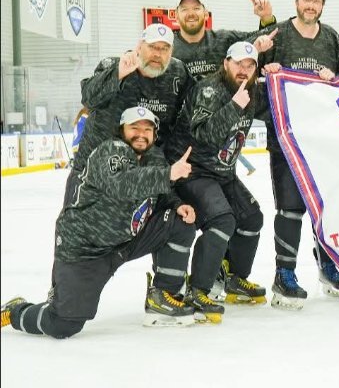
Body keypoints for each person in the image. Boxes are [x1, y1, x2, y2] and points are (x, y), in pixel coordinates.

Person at [1, 107, 197, 337]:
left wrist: (176, 204)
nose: (141, 134)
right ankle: (15, 310)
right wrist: (168, 174)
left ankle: (163, 298)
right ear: (121, 130)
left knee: (180, 222)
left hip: (125, 242)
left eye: (147, 129)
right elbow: (122, 185)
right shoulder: (111, 151)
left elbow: (159, 192)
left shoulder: (154, 157)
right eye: (134, 128)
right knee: (63, 324)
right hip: (86, 249)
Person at [259, 0, 339, 308]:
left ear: (322, 6)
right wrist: (266, 68)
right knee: (290, 208)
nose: (311, 4)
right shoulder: (278, 33)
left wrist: (338, 74)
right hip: (286, 139)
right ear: (297, 2)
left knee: (323, 207)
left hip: (321, 140)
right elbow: (250, 65)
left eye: (316, 1)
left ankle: (328, 266)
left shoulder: (330, 37)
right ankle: (284, 274)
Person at [165, 42, 268, 322]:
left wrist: (279, 77)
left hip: (223, 173)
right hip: (192, 171)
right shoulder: (209, 90)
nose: (244, 70)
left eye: (250, 65)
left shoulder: (252, 91)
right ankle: (196, 290)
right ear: (226, 64)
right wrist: (235, 105)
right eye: (238, 64)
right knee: (223, 220)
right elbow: (205, 136)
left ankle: (233, 277)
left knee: (251, 219)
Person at [64, 24, 193, 209]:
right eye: (153, 47)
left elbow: (197, 102)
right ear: (140, 46)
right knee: (79, 232)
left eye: (164, 49)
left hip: (143, 177)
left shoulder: (178, 73)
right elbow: (89, 98)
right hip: (93, 175)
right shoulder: (114, 65)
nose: (158, 54)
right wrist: (117, 74)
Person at [172, 0, 277, 81]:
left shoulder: (224, 40)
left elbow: (262, 38)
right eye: (184, 9)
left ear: (206, 14)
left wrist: (266, 18)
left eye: (196, 8)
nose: (191, 13)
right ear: (176, 16)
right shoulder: (166, 48)